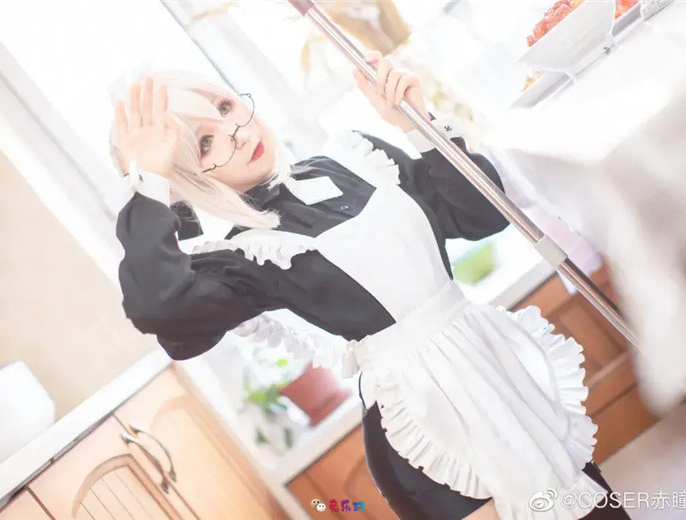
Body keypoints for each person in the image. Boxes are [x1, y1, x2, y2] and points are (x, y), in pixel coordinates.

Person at [110, 52, 631, 520]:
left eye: (225, 108)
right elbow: (163, 311)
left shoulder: (354, 158)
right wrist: (150, 183)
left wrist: (417, 122)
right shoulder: (246, 256)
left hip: (494, 372)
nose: (237, 133)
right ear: (188, 181)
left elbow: (480, 213)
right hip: (426, 433)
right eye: (205, 145)